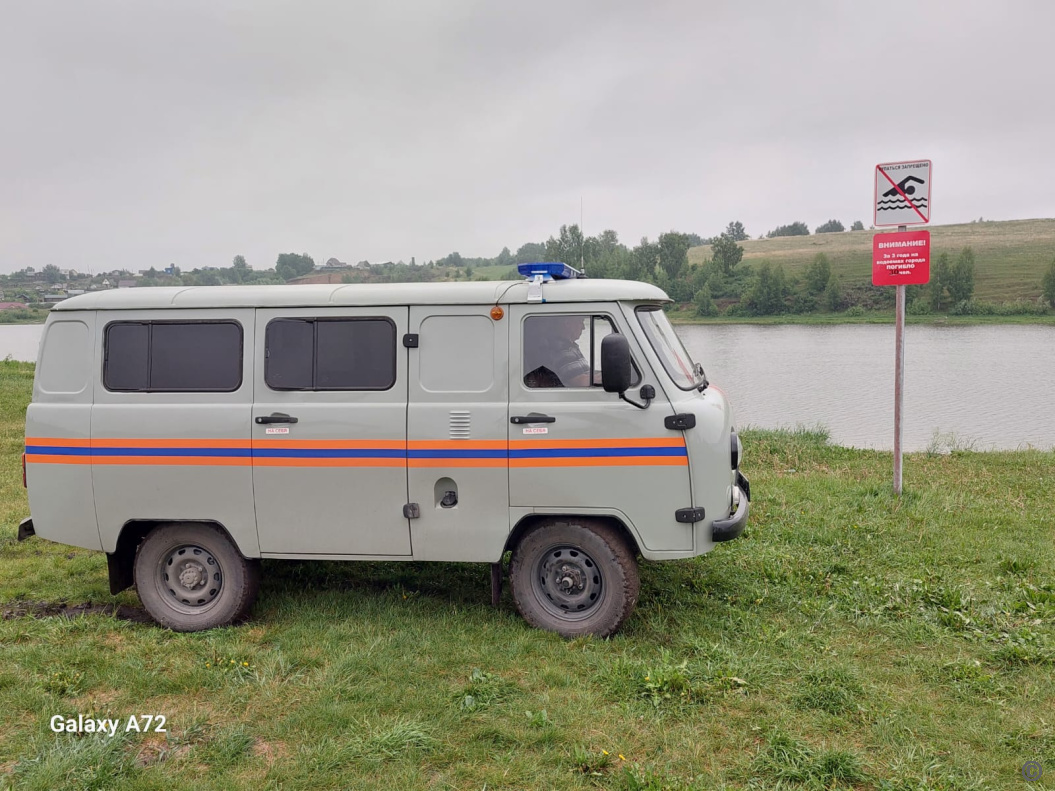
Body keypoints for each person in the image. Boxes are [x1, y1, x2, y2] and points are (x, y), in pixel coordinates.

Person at [523, 315, 591, 388]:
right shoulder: (561, 349)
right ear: (567, 324)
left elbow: (584, 374)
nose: (583, 327)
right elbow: (580, 382)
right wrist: (602, 377)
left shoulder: (571, 347)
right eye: (580, 322)